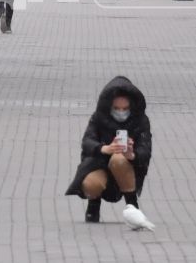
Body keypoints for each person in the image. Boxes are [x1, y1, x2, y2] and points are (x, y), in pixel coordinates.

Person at [65, 76, 155, 230]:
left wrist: (132, 154)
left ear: (132, 107)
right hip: (99, 166)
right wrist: (103, 149)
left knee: (119, 159)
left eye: (125, 109)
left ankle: (132, 205)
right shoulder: (99, 117)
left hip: (126, 169)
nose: (121, 112)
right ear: (109, 106)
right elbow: (87, 141)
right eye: (117, 108)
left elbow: (145, 150)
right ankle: (93, 205)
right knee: (91, 183)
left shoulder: (141, 121)